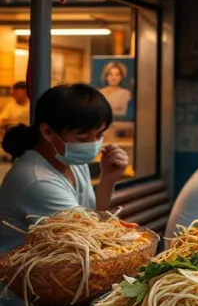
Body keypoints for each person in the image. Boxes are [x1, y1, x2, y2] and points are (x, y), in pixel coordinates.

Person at [0, 84, 128, 250]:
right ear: (48, 132)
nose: (93, 144)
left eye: (99, 135)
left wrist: (108, 179)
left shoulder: (72, 161)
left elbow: (95, 219)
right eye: (83, 138)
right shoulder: (38, 182)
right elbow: (89, 242)